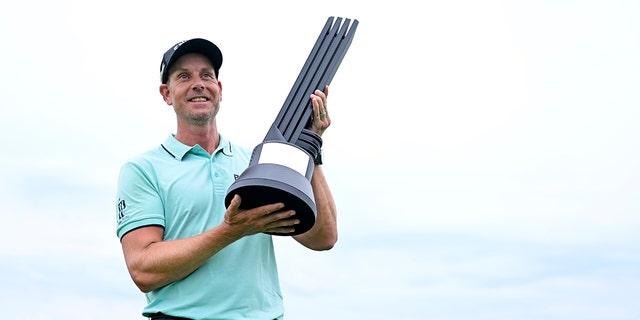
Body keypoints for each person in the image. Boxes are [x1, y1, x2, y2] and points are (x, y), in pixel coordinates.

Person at [115, 38, 338, 320]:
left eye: (207, 75)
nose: (198, 83)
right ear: (166, 93)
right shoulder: (143, 169)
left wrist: (311, 147)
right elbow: (143, 269)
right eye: (184, 76)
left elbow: (323, 237)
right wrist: (230, 231)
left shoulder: (256, 162)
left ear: (219, 90)